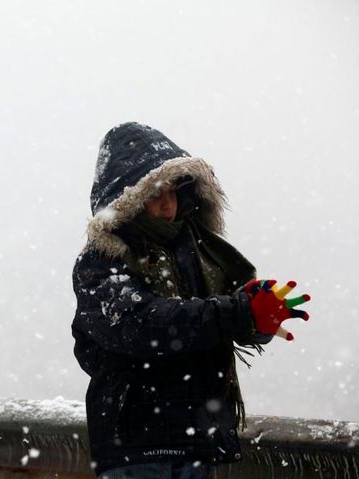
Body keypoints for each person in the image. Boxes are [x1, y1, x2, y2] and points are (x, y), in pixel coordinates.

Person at [71, 122, 310, 478]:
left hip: (196, 442)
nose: (168, 204)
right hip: (137, 450)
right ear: (127, 200)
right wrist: (241, 312)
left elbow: (213, 319)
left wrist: (258, 318)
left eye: (173, 190)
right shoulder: (102, 259)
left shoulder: (195, 248)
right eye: (153, 193)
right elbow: (143, 324)